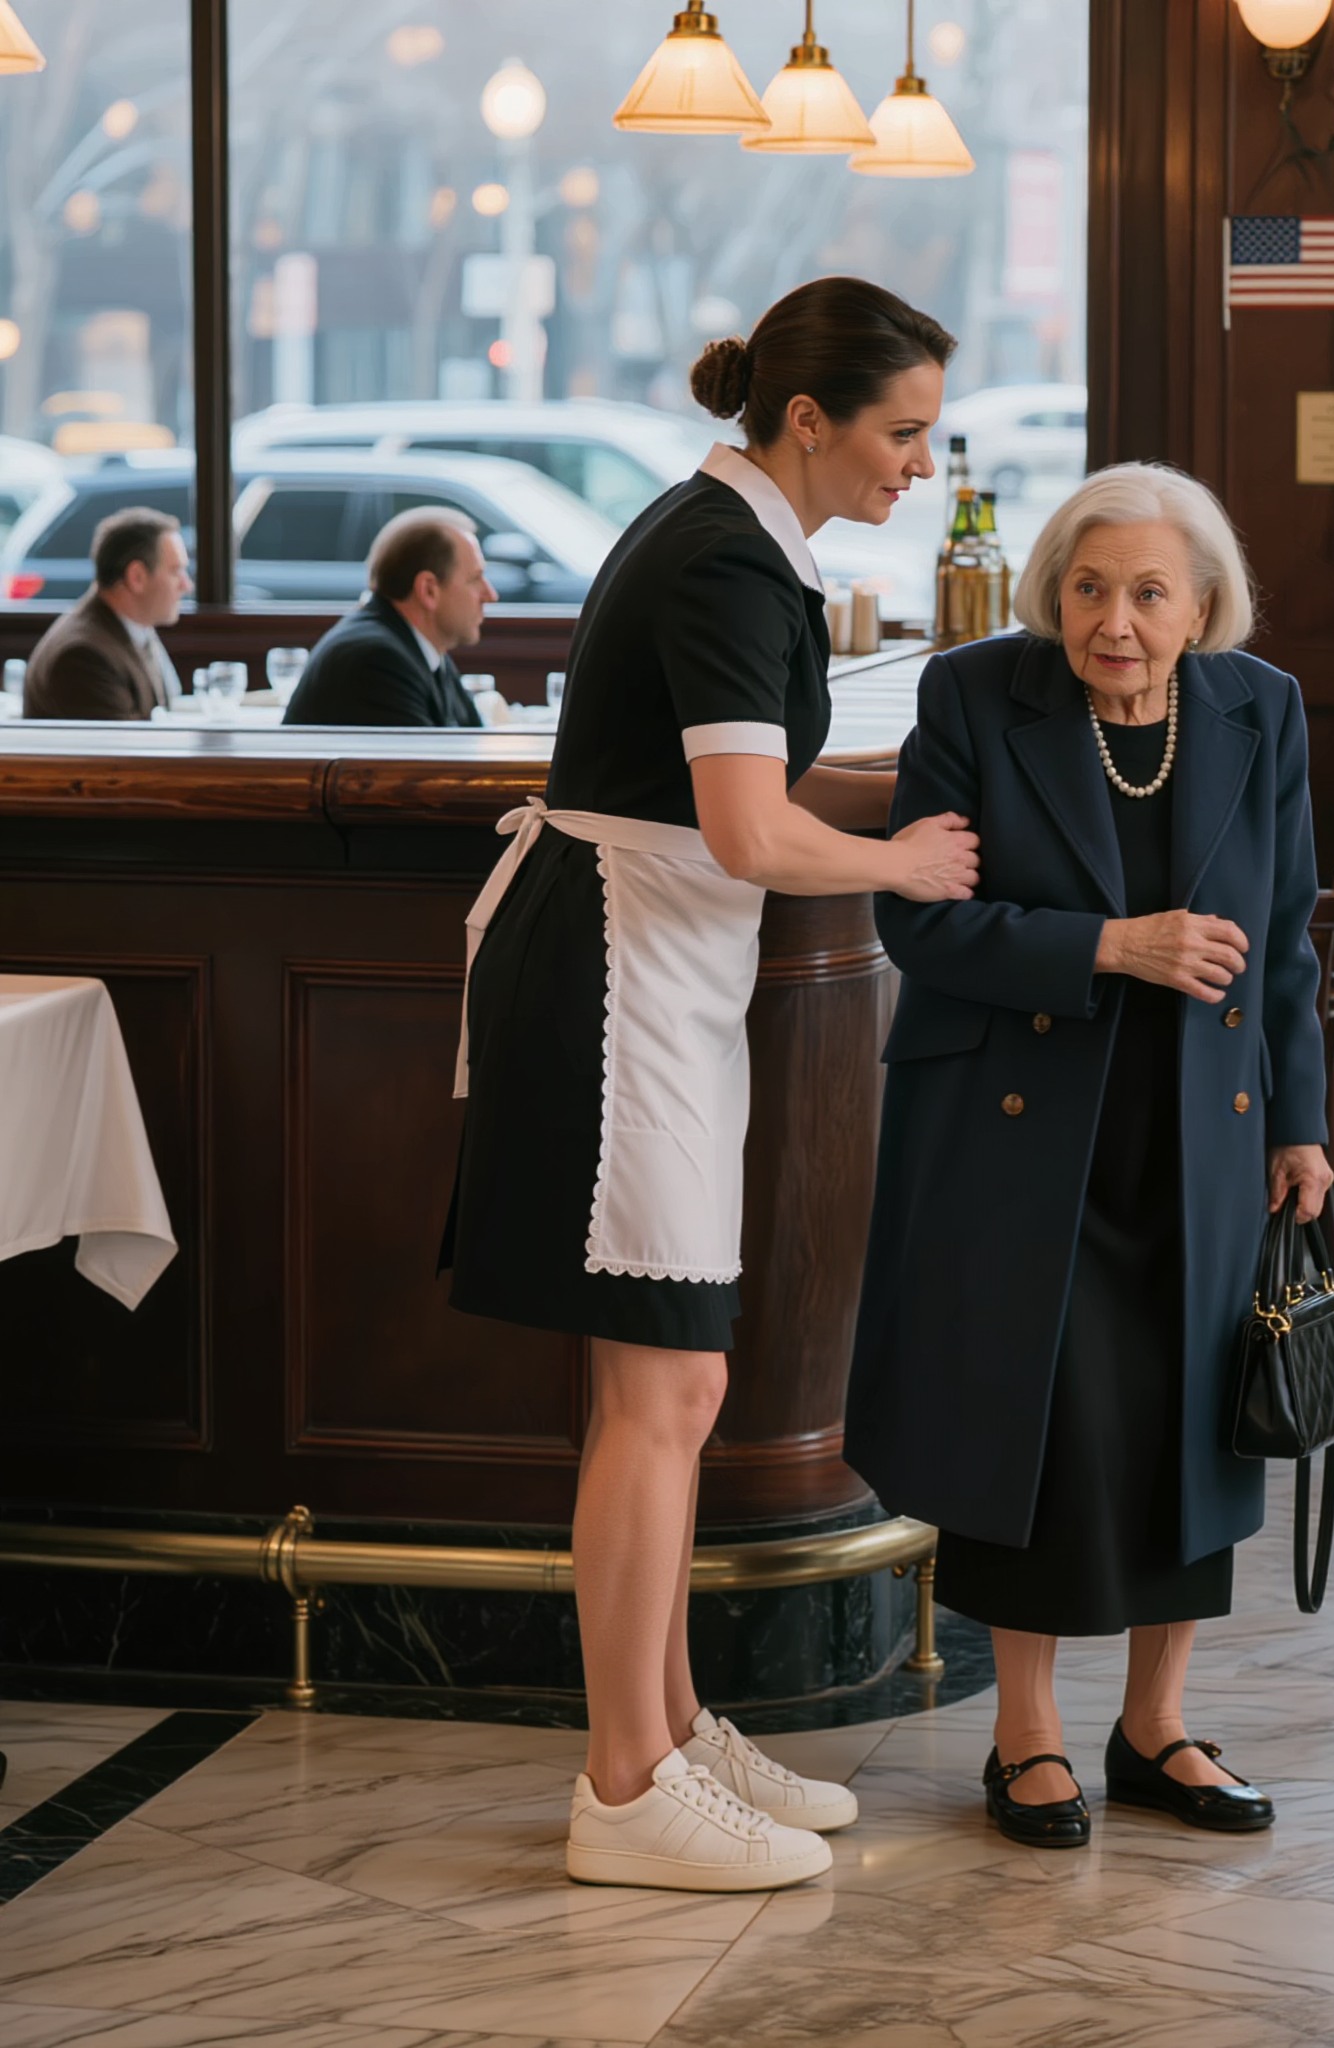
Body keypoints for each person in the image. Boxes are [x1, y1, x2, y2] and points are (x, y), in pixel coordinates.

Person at [443, 278, 979, 1892]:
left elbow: (727, 791)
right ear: (807, 420)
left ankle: (668, 1724)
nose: (920, 464)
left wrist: (878, 804)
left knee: (667, 1383)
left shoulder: (729, 534)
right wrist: (895, 854)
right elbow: (747, 830)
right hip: (618, 973)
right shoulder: (728, 555)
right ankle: (624, 1783)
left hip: (650, 967)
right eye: (901, 432)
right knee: (661, 1389)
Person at [845, 462, 1332, 1847]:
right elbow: (921, 926)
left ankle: (1156, 1727)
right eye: (1090, 587)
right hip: (1019, 1128)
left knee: (1191, 1422)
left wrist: (1301, 1122)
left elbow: (1285, 938)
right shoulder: (974, 699)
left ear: (1201, 605)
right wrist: (1110, 949)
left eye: (1149, 593)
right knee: (1041, 1427)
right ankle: (1027, 1738)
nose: (1116, 620)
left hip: (1202, 1128)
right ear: (1053, 589)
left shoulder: (1262, 708)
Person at [283, 510, 494, 728]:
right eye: (475, 579)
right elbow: (431, 761)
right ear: (429, 590)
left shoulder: (420, 648)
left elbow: (473, 738)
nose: (491, 595)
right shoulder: (376, 661)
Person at [23, 508, 190, 720]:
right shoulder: (84, 656)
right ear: (136, 577)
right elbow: (126, 750)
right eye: (176, 571)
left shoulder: (132, 626)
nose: (187, 585)